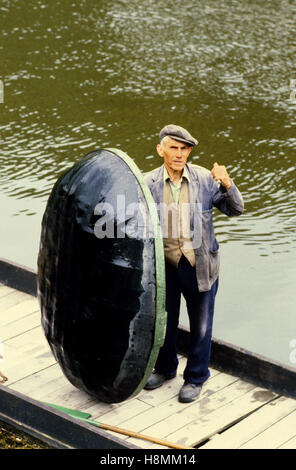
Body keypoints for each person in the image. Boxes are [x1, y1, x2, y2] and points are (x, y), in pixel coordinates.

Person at [143, 124, 244, 403]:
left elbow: (236, 209)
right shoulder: (147, 182)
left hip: (199, 265)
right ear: (160, 150)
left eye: (184, 149)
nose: (179, 154)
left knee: (200, 325)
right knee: (165, 322)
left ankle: (196, 377)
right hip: (165, 266)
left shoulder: (204, 179)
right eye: (173, 148)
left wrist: (227, 183)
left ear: (189, 152)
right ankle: (165, 369)